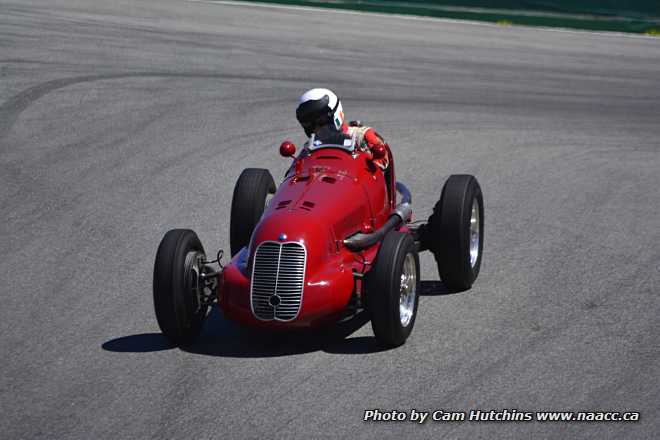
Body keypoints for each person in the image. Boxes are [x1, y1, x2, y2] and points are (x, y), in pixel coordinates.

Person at [295, 88, 390, 171]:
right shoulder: (309, 148)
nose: (316, 128)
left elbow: (383, 163)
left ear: (336, 113)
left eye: (321, 121)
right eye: (309, 124)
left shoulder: (361, 136)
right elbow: (294, 172)